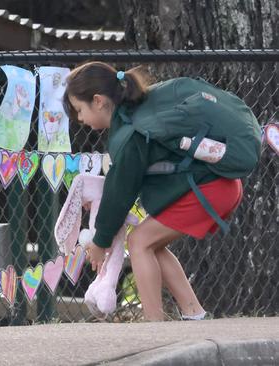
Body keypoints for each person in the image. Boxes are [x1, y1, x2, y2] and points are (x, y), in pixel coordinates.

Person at [62, 62, 243, 321]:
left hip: (211, 187)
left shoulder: (129, 133)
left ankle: (153, 326)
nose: (79, 119)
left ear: (98, 101)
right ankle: (195, 315)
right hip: (220, 183)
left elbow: (121, 191)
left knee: (139, 242)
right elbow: (125, 181)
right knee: (152, 244)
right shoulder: (134, 116)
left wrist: (100, 241)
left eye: (80, 110)